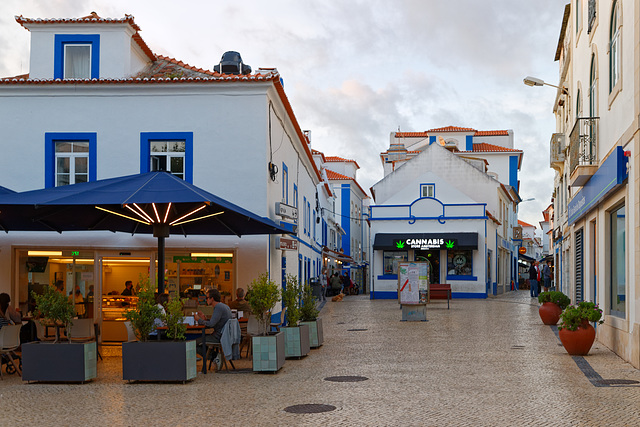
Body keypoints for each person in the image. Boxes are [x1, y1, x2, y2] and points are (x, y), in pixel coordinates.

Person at [194, 288, 232, 369]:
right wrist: (204, 319)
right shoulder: (224, 306)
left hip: (218, 336)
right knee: (199, 342)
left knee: (194, 343)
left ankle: (215, 357)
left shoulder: (218, 307)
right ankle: (216, 356)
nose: (206, 300)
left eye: (207, 298)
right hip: (224, 335)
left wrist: (199, 320)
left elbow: (211, 324)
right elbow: (214, 323)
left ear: (212, 298)